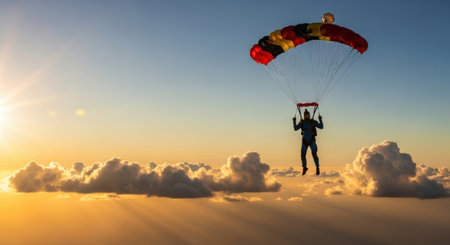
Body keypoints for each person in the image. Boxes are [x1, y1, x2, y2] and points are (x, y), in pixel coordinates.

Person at [293, 109, 323, 175]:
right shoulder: (302, 122)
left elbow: (321, 127)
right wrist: (294, 122)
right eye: (305, 115)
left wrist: (320, 120)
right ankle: (304, 168)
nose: (306, 116)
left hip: (311, 140)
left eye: (307, 115)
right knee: (302, 155)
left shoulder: (313, 122)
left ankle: (317, 168)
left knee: (314, 154)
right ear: (303, 116)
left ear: (309, 115)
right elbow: (295, 129)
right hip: (304, 141)